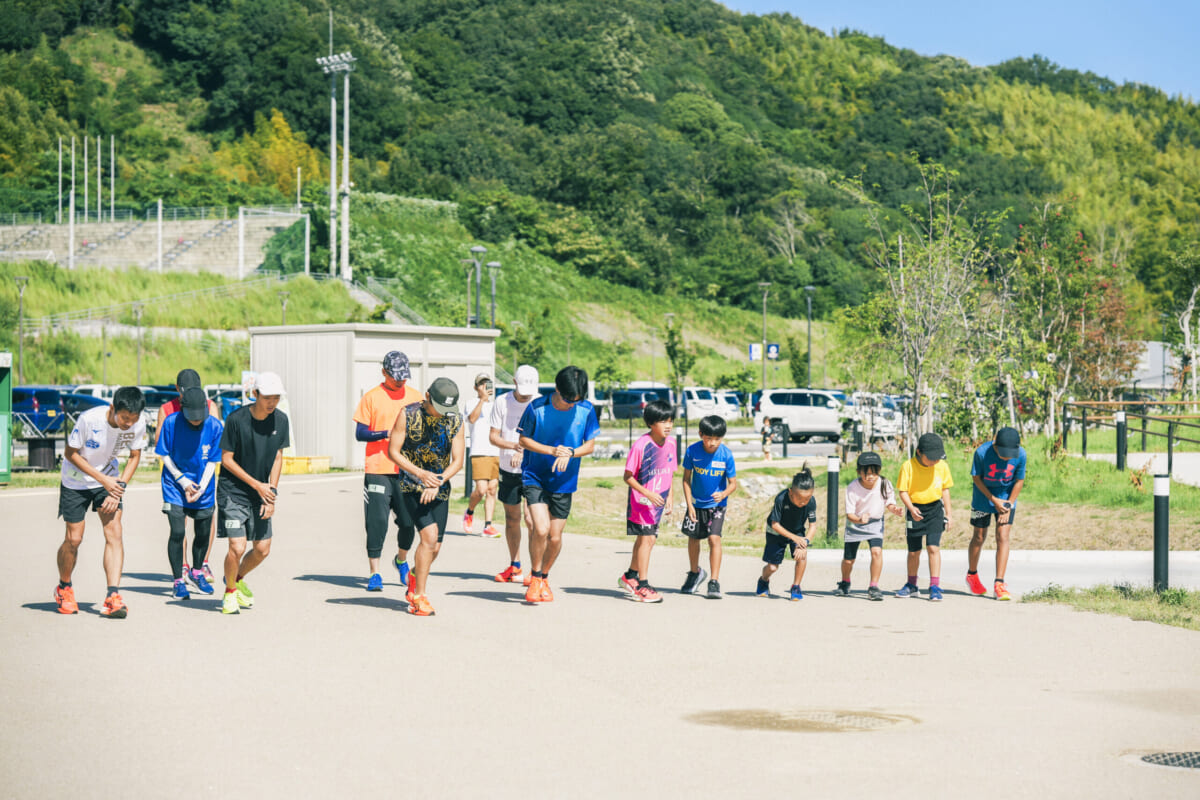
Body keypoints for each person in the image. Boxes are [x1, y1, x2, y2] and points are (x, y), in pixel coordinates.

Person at [55, 386, 147, 617]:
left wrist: (118, 489)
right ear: (113, 408)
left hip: (108, 480)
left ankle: (112, 596)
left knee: (114, 531)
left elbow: (135, 456)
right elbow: (70, 453)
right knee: (74, 538)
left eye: (133, 419)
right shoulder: (89, 420)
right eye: (125, 418)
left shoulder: (138, 423)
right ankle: (64, 587)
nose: (129, 423)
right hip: (76, 481)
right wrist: (102, 480)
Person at [517, 366, 600, 604]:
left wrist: (571, 452)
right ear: (556, 389)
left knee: (554, 537)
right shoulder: (536, 407)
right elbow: (523, 439)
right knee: (540, 529)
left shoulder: (586, 409)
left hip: (564, 481)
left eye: (576, 400)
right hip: (535, 476)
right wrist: (552, 451)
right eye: (566, 399)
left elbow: (590, 445)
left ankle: (544, 577)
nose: (570, 404)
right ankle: (534, 578)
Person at [387, 377, 466, 617]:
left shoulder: (456, 420)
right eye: (439, 408)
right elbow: (393, 451)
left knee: (435, 547)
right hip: (412, 485)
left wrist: (438, 480)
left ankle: (413, 575)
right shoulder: (408, 414)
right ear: (427, 397)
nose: (443, 414)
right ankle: (418, 597)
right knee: (429, 537)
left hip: (439, 487)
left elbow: (458, 461)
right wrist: (420, 474)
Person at [216, 372, 290, 615]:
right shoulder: (236, 420)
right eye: (267, 397)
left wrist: (271, 492)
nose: (272, 402)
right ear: (255, 395)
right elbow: (226, 460)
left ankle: (235, 579)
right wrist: (257, 485)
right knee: (237, 546)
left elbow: (278, 456)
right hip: (233, 491)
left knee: (262, 549)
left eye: (276, 398)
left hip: (261, 493)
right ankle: (228, 594)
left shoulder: (281, 420)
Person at [353, 351, 422, 592]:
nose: (401, 382)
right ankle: (375, 573)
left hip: (406, 471)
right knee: (377, 522)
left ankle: (401, 560)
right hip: (378, 468)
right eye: (396, 377)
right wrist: (385, 434)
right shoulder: (372, 397)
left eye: (404, 377)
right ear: (384, 372)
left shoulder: (416, 398)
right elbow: (360, 433)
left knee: (407, 522)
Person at [155, 387, 223, 600]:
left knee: (202, 533)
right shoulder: (171, 422)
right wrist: (182, 481)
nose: (196, 421)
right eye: (191, 417)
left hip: (203, 485)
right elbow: (164, 454)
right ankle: (178, 580)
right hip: (174, 484)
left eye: (199, 417)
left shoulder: (214, 425)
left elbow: (214, 459)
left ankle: (196, 572)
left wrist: (201, 487)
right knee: (177, 531)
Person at [617, 400, 677, 603]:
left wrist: (670, 496)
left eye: (670, 421)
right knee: (648, 539)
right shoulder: (641, 445)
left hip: (658, 503)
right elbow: (628, 476)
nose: (668, 425)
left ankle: (630, 576)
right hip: (642, 501)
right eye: (663, 421)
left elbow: (670, 472)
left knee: (646, 539)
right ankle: (642, 586)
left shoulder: (671, 443)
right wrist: (648, 494)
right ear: (651, 423)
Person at [489, 365, 539, 584]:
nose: (526, 394)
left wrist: (525, 450)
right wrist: (515, 446)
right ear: (514, 382)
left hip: (533, 468)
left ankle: (535, 571)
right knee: (512, 518)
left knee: (532, 519)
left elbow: (543, 438)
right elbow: (493, 436)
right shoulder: (502, 402)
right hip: (508, 468)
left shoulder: (539, 402)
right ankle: (515, 565)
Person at [680, 415, 738, 599]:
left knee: (714, 538)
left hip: (717, 505)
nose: (712, 443)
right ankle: (694, 573)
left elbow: (733, 484)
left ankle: (714, 581)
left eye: (717, 439)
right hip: (696, 505)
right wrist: (689, 504)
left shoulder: (726, 454)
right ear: (700, 434)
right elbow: (686, 480)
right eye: (708, 438)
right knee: (693, 538)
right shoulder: (692, 451)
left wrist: (723, 494)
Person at [967, 426, 1026, 601]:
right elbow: (976, 478)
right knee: (978, 536)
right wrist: (993, 499)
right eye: (1004, 453)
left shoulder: (1021, 454)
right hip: (982, 498)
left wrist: (1008, 504)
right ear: (995, 444)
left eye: (1010, 454)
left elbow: (1019, 480)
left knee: (1003, 535)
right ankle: (972, 575)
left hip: (1007, 498)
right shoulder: (981, 453)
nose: (1007, 457)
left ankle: (999, 584)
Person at [896, 432, 954, 601]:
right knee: (914, 551)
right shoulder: (908, 466)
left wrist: (949, 515)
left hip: (935, 510)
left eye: (938, 458)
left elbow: (945, 490)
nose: (935, 461)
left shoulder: (942, 466)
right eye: (931, 458)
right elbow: (903, 491)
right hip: (914, 510)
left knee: (933, 548)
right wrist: (911, 508)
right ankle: (912, 584)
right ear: (920, 452)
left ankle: (934, 585)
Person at [839, 451, 903, 601]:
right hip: (855, 524)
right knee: (849, 560)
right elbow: (850, 514)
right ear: (858, 472)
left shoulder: (884, 483)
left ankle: (873, 586)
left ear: (879, 471)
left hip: (875, 523)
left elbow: (890, 503)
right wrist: (860, 520)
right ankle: (845, 582)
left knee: (876, 552)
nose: (870, 477)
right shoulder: (852, 487)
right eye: (866, 473)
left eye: (874, 473)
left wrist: (895, 509)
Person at [757, 468, 817, 600]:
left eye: (807, 498)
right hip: (776, 532)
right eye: (799, 498)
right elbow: (775, 524)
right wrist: (794, 537)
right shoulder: (781, 498)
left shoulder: (811, 502)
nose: (803, 502)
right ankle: (763, 580)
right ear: (791, 492)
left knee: (802, 556)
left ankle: (796, 586)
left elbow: (813, 526)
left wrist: (805, 542)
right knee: (772, 567)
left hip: (797, 530)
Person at [462, 373, 501, 539]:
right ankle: (469, 512)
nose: (485, 387)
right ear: (476, 387)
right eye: (481, 384)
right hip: (479, 450)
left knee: (492, 490)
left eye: (488, 384)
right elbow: (471, 419)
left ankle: (488, 525)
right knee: (481, 489)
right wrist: (482, 400)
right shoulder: (471, 403)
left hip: (496, 450)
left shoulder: (497, 404)